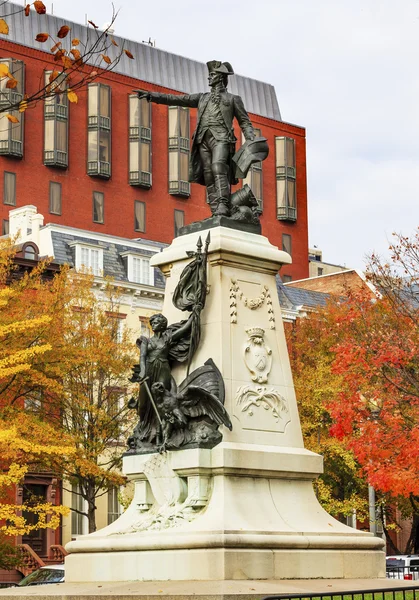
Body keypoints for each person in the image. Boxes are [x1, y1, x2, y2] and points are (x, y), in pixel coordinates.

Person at [136, 60, 255, 217]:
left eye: (212, 75)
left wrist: (251, 139)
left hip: (222, 138)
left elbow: (244, 121)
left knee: (218, 167)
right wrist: (153, 96)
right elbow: (177, 99)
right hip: (202, 140)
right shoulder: (202, 98)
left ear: (220, 77)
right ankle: (215, 210)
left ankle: (223, 204)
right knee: (208, 174)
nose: (208, 78)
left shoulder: (233, 99)